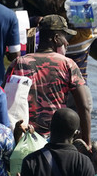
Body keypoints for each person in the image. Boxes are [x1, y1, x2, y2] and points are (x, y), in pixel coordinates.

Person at [7, 14, 91, 143]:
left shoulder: (19, 62)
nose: (67, 42)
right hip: (56, 139)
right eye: (65, 37)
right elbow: (84, 107)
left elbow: (5, 98)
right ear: (56, 39)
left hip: (24, 136)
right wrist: (87, 141)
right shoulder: (68, 64)